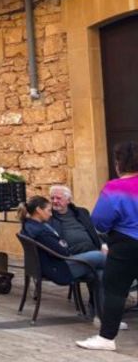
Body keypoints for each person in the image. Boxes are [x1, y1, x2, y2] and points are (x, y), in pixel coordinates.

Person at [77, 142, 138, 351]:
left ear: (118, 163)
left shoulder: (115, 187)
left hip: (125, 244)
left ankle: (106, 338)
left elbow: (99, 221)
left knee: (115, 291)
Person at [49, 185, 106, 260]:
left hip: (93, 249)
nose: (54, 201)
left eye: (58, 198)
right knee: (101, 258)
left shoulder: (81, 212)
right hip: (70, 256)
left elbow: (93, 232)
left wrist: (103, 245)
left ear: (68, 200)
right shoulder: (49, 217)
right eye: (52, 198)